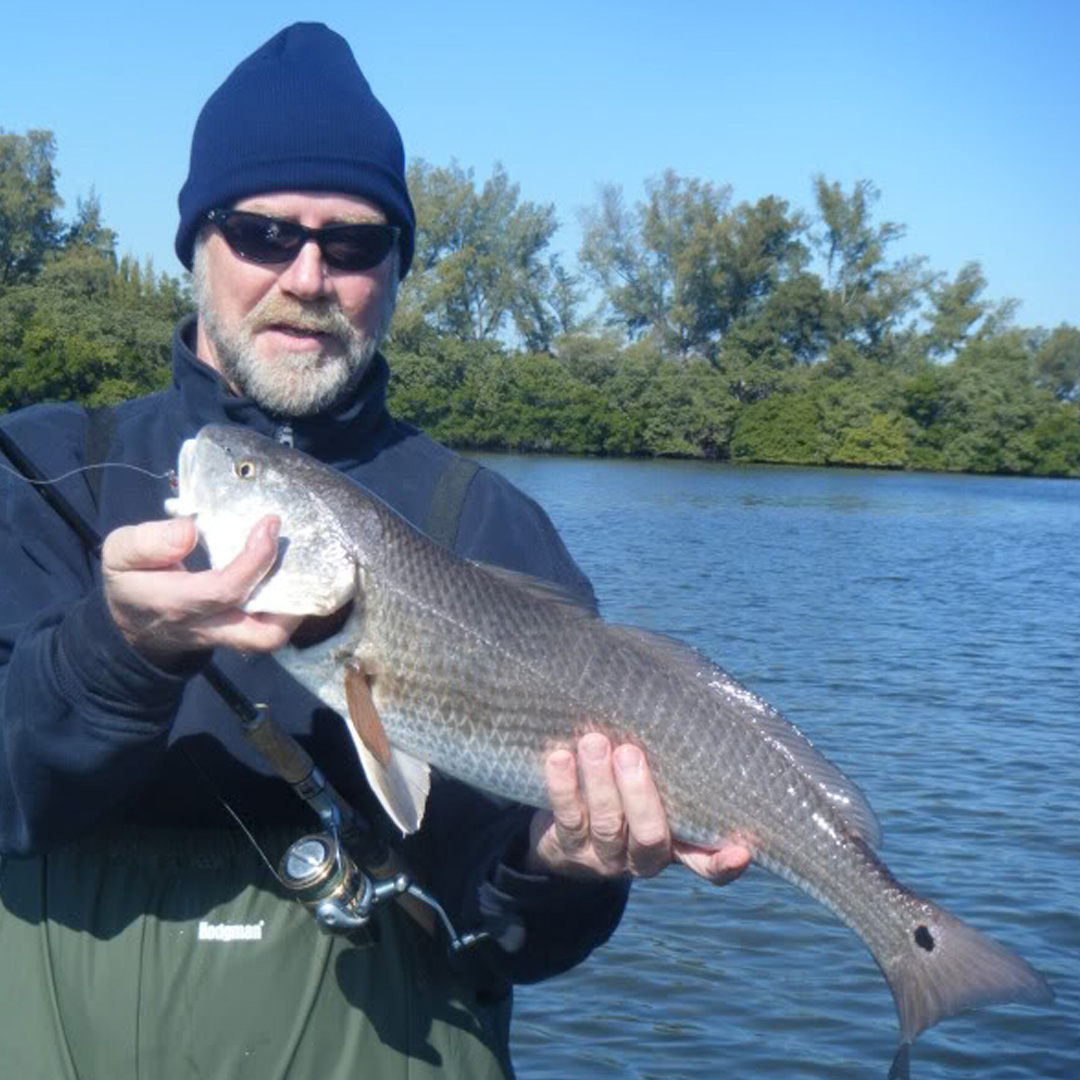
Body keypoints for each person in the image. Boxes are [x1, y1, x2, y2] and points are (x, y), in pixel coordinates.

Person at [0, 23, 749, 1080]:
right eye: (262, 232)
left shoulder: (490, 527)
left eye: (353, 244)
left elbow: (516, 935)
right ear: (194, 245)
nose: (308, 275)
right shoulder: (40, 469)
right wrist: (116, 649)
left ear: (395, 268)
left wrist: (565, 867)